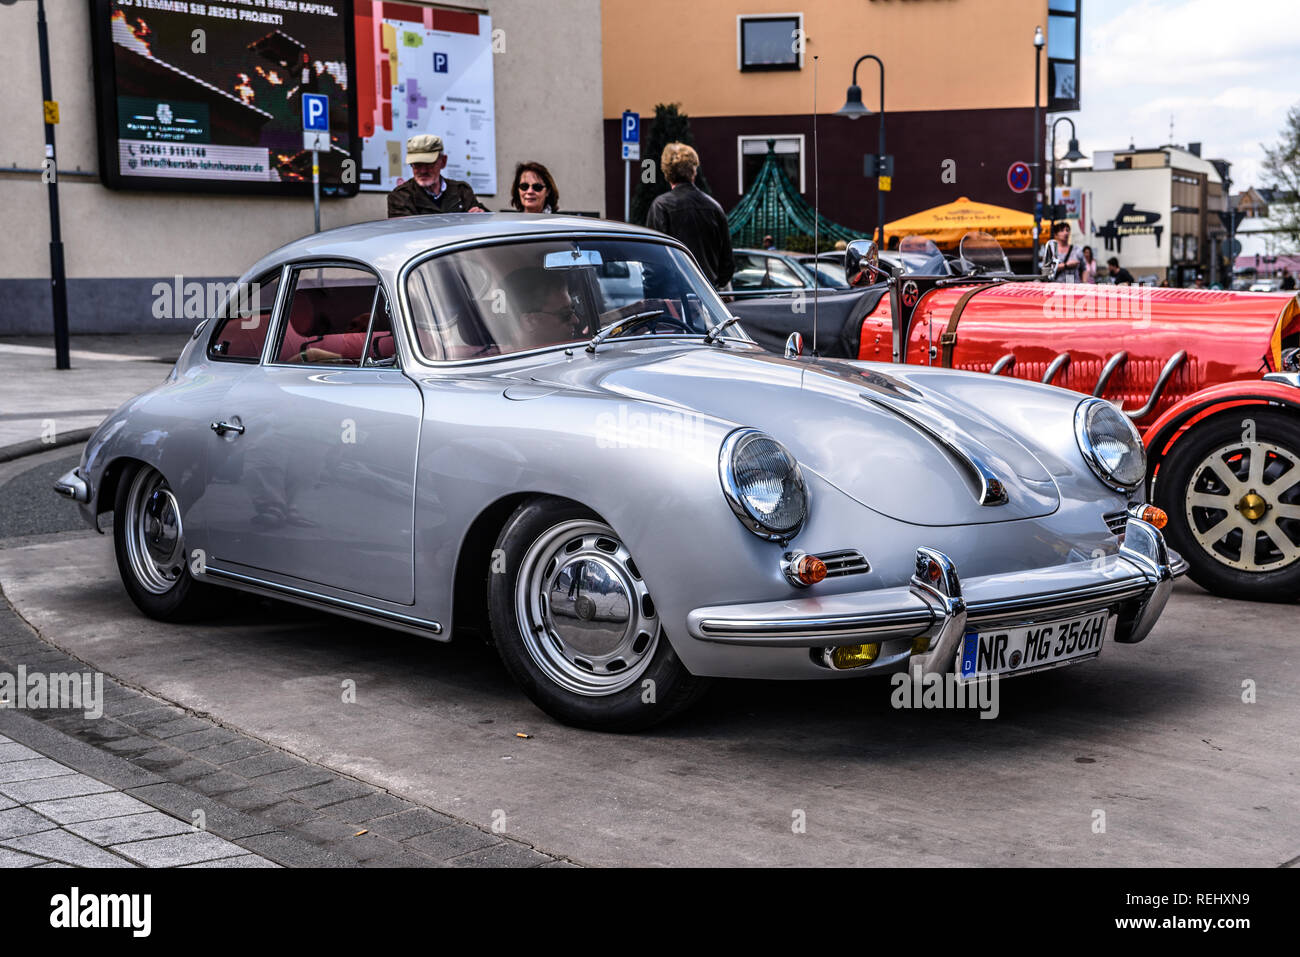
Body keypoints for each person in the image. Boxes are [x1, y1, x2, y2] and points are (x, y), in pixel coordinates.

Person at [645, 143, 735, 290]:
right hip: (708, 297)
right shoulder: (714, 207)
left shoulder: (661, 206)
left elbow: (653, 261)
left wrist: (651, 294)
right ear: (694, 171)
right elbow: (728, 264)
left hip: (673, 297)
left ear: (666, 172)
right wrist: (713, 286)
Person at [387, 134, 487, 218]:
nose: (423, 171)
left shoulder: (461, 191)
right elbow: (408, 235)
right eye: (417, 165)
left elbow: (486, 222)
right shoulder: (400, 197)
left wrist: (481, 214)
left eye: (429, 164)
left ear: (443, 161)